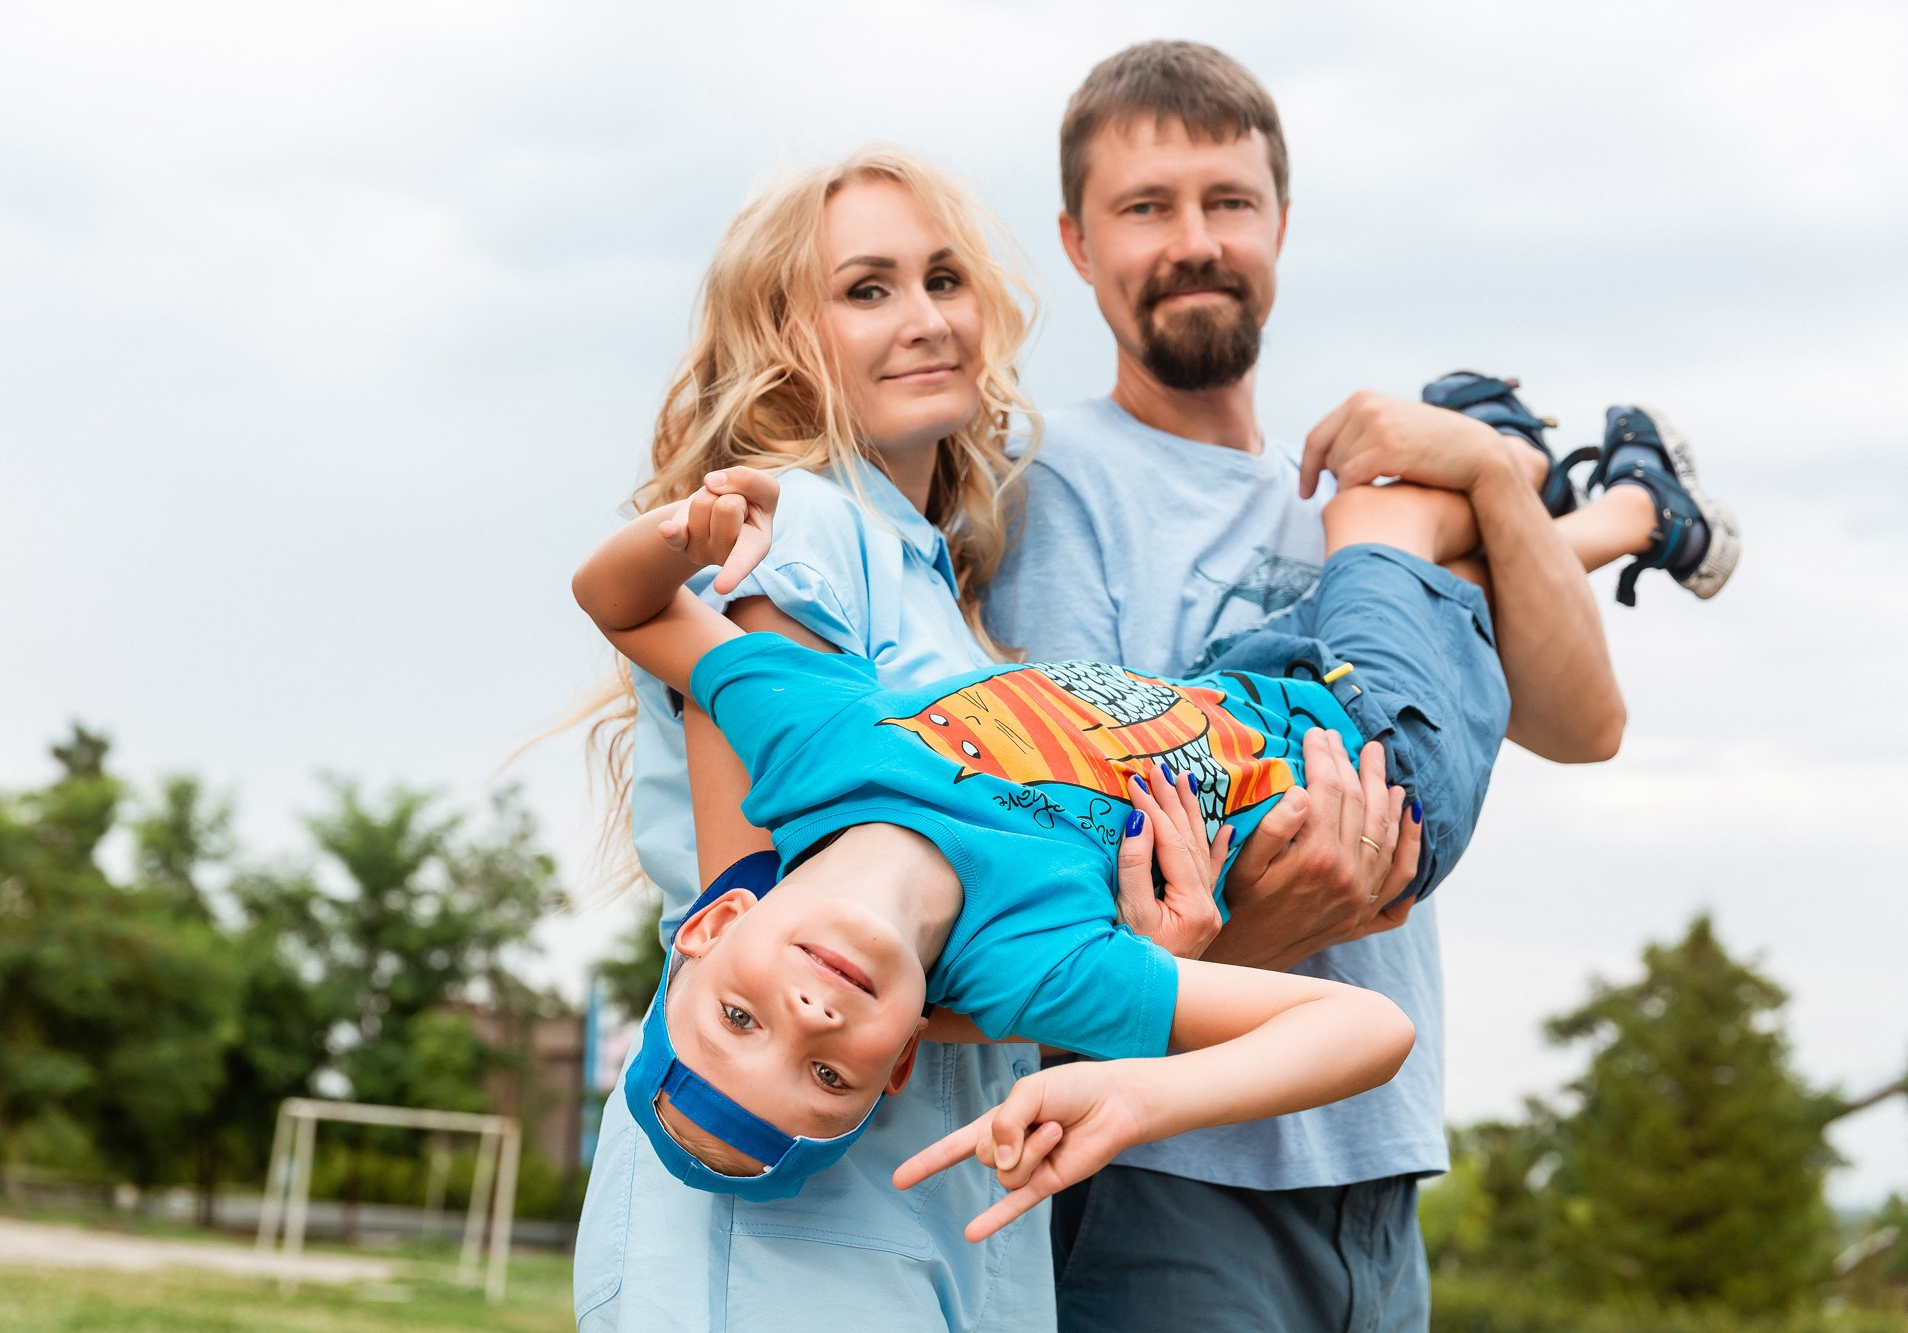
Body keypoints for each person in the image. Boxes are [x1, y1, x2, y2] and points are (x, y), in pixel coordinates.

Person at [985, 41, 1741, 1333]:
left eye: (1227, 201)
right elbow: (1083, 840)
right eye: (1145, 207)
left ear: (1280, 221)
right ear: (1074, 239)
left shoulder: (1357, 496)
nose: (1193, 240)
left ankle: (1591, 494)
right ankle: (1624, 506)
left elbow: (1580, 722)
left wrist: (1492, 479)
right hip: (1171, 1162)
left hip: (1375, 1152)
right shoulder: (1059, 489)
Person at [572, 452, 1537, 1238]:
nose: (810, 1016)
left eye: (740, 1018)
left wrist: (684, 533)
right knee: (1387, 500)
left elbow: (623, 606)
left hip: (1243, 684)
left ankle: (1569, 512)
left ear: (716, 921)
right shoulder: (1031, 965)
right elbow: (1371, 1029)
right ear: (898, 1064)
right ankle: (1529, 459)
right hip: (1370, 765)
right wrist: (1141, 1095)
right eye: (829, 1075)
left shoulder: (811, 751)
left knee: (1465, 574)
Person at [572, 147, 1063, 1333]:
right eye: (866, 289)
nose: (925, 319)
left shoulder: (934, 583)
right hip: (782, 1224)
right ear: (784, 337)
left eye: (942, 278)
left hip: (935, 1205)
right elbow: (776, 925)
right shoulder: (799, 537)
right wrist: (1099, 965)